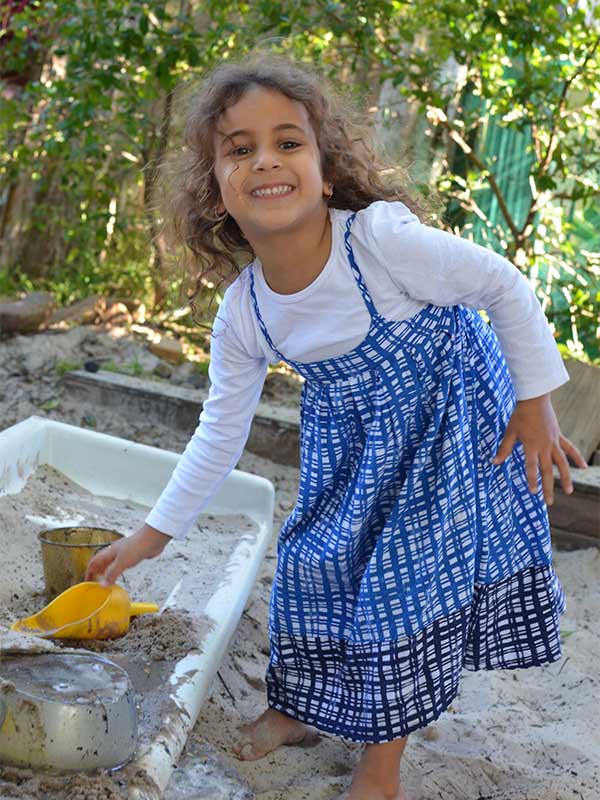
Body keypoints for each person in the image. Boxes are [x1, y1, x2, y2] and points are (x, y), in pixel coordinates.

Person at [85, 52, 588, 800]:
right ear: (216, 190)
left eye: (288, 142)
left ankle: (380, 763)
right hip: (353, 443)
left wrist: (534, 401)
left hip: (446, 422)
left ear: (325, 172)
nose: (266, 161)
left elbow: (502, 284)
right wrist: (150, 535)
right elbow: (218, 434)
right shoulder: (245, 312)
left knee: (398, 590)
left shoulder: (381, 243)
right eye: (240, 148)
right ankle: (296, 708)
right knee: (312, 567)